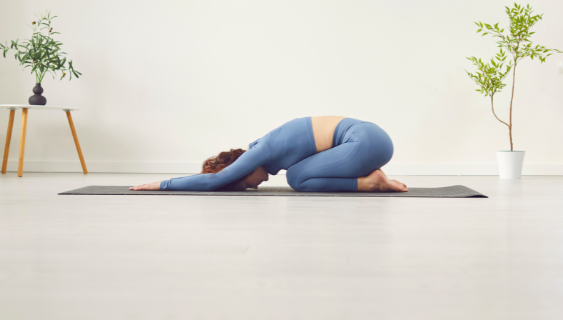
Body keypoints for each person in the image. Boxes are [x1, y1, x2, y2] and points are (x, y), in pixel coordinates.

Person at [130, 116, 408, 192]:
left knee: (297, 178)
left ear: (244, 167)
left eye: (244, 182)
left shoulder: (261, 150)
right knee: (297, 173)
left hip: (366, 142)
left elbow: (213, 181)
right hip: (371, 138)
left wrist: (162, 184)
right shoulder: (271, 147)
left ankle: (371, 182)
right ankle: (370, 177)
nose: (253, 186)